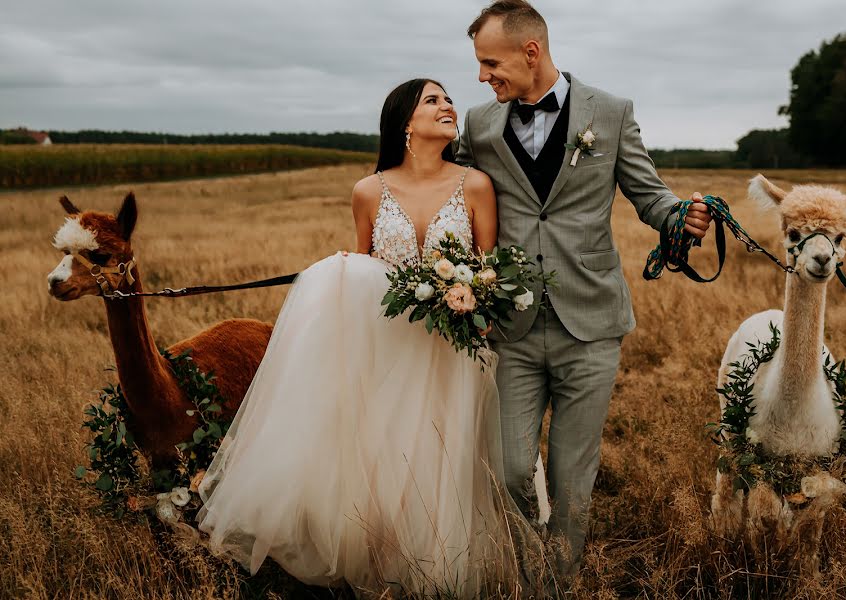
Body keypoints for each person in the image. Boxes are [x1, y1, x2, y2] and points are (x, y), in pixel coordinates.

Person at [197, 78, 542, 598]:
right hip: (385, 346)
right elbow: (363, 274)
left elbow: (487, 268)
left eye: (449, 99)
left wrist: (471, 300)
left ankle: (436, 571)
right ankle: (375, 560)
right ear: (405, 121)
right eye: (433, 100)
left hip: (452, 350)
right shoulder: (368, 191)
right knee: (381, 458)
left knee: (443, 460)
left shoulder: (475, 185)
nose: (448, 106)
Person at [455, 0, 713, 580]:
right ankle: (524, 568)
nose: (481, 76)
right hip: (511, 325)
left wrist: (681, 219)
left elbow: (650, 195)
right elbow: (451, 194)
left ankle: (559, 581)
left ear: (531, 51)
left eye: (490, 62)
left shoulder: (612, 112)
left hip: (591, 323)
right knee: (512, 466)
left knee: (572, 474)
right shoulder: (478, 125)